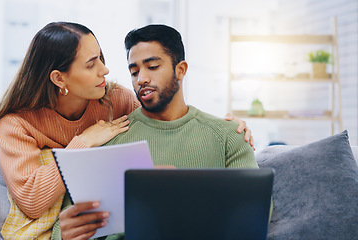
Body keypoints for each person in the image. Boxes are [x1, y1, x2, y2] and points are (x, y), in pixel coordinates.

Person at [0, 22, 252, 239]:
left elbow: (166, 112)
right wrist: (84, 142)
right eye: (91, 64)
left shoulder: (115, 100)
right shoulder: (17, 124)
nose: (105, 70)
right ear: (58, 78)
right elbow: (33, 201)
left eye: (100, 58)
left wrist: (228, 127)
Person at [56, 24, 259, 240]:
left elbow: (254, 214)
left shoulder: (228, 135)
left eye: (152, 66)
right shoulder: (110, 138)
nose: (141, 79)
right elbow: (63, 225)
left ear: (180, 69)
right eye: (134, 72)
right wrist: (65, 234)